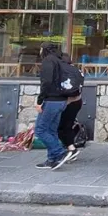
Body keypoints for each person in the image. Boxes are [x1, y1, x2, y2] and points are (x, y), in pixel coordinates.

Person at [34, 42, 74, 170]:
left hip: (51, 100)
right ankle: (52, 159)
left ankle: (59, 152)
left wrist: (39, 101)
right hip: (61, 100)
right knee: (51, 130)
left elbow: (46, 82)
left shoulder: (48, 61)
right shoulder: (60, 60)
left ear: (44, 50)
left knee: (40, 129)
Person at [58, 53, 84, 162]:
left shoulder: (62, 70)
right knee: (68, 125)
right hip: (77, 101)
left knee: (61, 127)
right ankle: (70, 148)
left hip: (67, 102)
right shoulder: (77, 70)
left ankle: (71, 149)